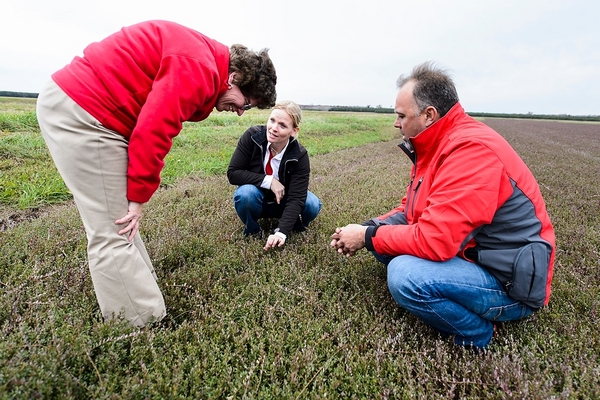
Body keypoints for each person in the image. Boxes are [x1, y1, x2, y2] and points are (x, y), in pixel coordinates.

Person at [36, 20, 277, 327]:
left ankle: (140, 295)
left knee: (118, 220)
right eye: (246, 103)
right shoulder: (199, 68)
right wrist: (137, 199)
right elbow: (153, 131)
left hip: (95, 112)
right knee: (114, 228)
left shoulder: (203, 58)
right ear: (234, 78)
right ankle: (141, 327)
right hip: (83, 113)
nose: (241, 112)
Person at [330, 62, 555, 349]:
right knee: (383, 242)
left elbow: (435, 241)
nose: (396, 123)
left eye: (401, 116)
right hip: (473, 255)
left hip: (509, 284)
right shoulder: (439, 143)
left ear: (428, 115)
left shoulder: (471, 151)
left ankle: (476, 333)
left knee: (404, 274)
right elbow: (412, 213)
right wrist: (367, 229)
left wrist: (365, 237)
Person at [227, 100, 322, 250]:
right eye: (272, 120)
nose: (273, 128)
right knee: (245, 194)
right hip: (257, 199)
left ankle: (291, 226)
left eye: (282, 125)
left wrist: (281, 232)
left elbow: (297, 197)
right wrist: (269, 180)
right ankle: (253, 230)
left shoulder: (300, 155)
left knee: (311, 204)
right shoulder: (252, 136)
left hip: (284, 202)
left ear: (294, 131)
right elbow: (233, 173)